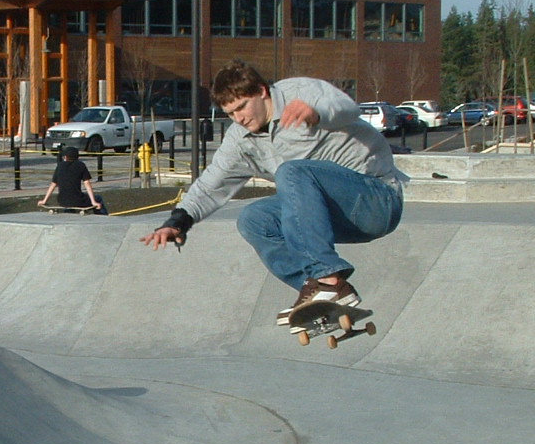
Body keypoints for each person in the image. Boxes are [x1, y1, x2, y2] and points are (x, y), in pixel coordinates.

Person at [140, 59, 405, 324]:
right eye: (231, 113)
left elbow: (348, 108)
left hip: (375, 198)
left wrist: (317, 112)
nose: (239, 118)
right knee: (254, 218)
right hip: (334, 217)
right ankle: (316, 290)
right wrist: (177, 222)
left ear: (262, 91)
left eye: (242, 107)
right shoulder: (239, 140)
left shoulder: (297, 92)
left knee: (292, 172)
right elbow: (210, 184)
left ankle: (328, 279)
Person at [39, 146, 105, 213]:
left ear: (66, 157)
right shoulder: (81, 165)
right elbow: (87, 183)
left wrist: (44, 200)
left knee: (69, 202)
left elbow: (53, 184)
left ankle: (68, 213)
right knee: (98, 198)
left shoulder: (60, 166)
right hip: (78, 200)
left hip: (62, 201)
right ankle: (102, 218)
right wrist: (93, 201)